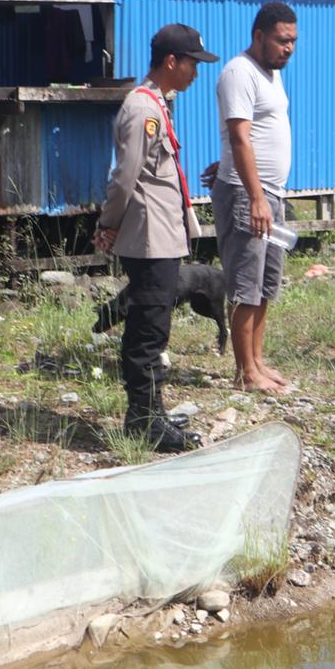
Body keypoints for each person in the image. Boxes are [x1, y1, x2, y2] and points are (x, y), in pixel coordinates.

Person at [94, 23, 218, 452]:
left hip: (163, 234)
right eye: (192, 65)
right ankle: (143, 420)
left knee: (155, 326)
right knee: (147, 331)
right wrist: (109, 224)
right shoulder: (142, 109)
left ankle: (152, 413)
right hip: (148, 236)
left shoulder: (157, 105)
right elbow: (125, 178)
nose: (195, 74)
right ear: (171, 62)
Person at [210, 2, 298, 393]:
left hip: (270, 195)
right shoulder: (239, 72)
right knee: (246, 283)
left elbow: (258, 132)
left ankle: (258, 361)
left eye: (293, 41)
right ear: (259, 36)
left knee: (266, 282)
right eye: (282, 40)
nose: (289, 48)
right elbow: (239, 135)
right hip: (250, 196)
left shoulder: (271, 74)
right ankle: (245, 373)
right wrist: (255, 196)